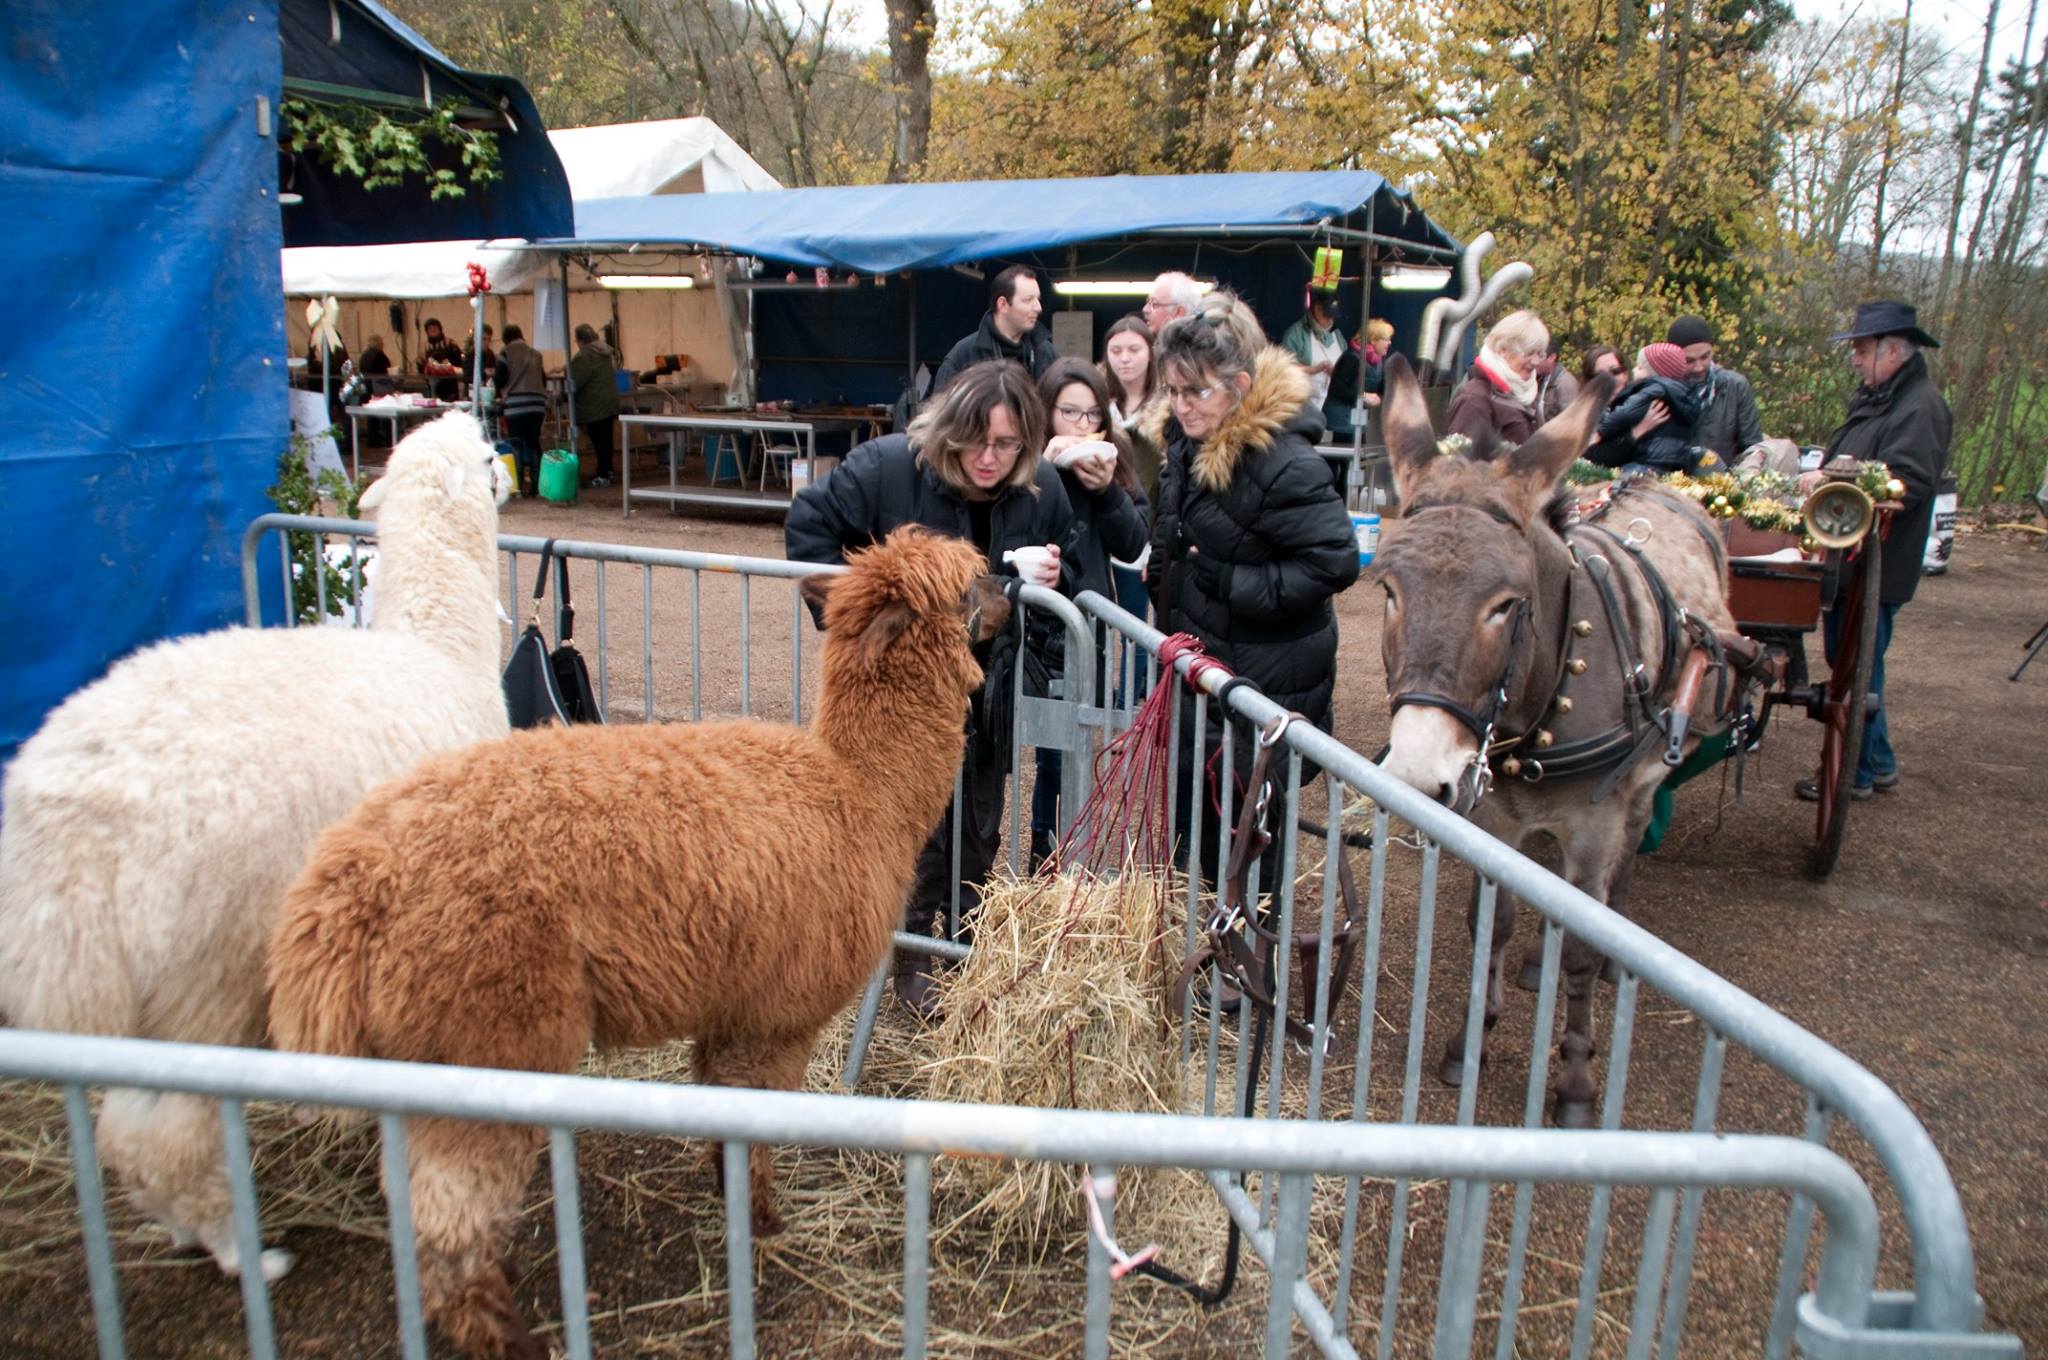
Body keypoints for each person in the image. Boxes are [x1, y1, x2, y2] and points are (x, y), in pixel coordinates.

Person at [786, 360, 1074, 1017]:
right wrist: (865, 621)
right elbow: (809, 523)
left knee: (979, 818)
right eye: (977, 440)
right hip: (906, 689)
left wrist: (1053, 578)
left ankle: (966, 942)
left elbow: (1078, 567)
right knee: (914, 820)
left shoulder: (1040, 489)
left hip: (987, 679)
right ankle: (912, 956)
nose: (989, 458)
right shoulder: (889, 467)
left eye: (1006, 445)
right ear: (951, 429)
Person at [1145, 289, 1361, 910]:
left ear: (1240, 385)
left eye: (1197, 392)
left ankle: (1245, 977)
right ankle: (1205, 960)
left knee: (1247, 841)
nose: (1182, 406)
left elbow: (1334, 563)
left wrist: (1228, 584)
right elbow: (1179, 538)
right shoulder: (1186, 445)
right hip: (1204, 671)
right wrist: (1165, 578)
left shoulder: (1283, 462)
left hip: (1266, 679)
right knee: (1200, 829)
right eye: (1175, 391)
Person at [1794, 301, 1952, 803]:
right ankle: (1878, 761)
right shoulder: (1881, 399)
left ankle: (1855, 770)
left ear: (1894, 351)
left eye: (1862, 350)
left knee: (1858, 666)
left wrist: (1835, 478)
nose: (1856, 360)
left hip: (1877, 560)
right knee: (1857, 660)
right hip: (1852, 557)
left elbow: (1910, 480)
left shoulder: (1920, 406)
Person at [1027, 359, 1151, 866]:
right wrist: (1042, 470)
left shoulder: (1112, 457)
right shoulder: (1027, 457)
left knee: (1072, 755)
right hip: (1035, 630)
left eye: (1091, 413)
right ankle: (1043, 855)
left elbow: (1135, 540)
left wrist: (1105, 490)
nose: (1080, 425)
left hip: (1089, 632)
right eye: (1068, 412)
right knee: (1036, 751)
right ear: (1046, 412)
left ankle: (1059, 861)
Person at [931, 265, 1057, 392]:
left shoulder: (1047, 353)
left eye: (1038, 299)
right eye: (1028, 300)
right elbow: (941, 409)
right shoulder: (964, 355)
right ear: (1002, 304)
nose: (1038, 308)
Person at [1585, 343, 1706, 474]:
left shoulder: (1648, 397)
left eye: (1615, 372)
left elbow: (1625, 413)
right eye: (1600, 376)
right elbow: (1593, 458)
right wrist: (1636, 432)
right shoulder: (1588, 415)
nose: (1610, 381)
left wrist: (1602, 432)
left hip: (1655, 467)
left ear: (1625, 373)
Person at [1445, 309, 1549, 445]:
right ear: (1503, 350)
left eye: (1540, 353)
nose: (1536, 361)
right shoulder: (1473, 399)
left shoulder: (1523, 394)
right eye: (1529, 353)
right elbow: (1461, 461)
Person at [1667, 315, 1763, 460]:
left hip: (1725, 477)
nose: (1699, 367)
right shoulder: (1662, 389)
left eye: (1705, 357)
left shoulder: (1735, 386)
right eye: (1689, 361)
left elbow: (1752, 447)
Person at [492, 324, 549, 497]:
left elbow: (499, 379)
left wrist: (497, 393)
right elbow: (543, 380)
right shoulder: (536, 354)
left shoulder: (505, 353)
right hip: (537, 405)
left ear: (506, 338)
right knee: (533, 443)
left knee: (515, 443)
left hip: (516, 406)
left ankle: (516, 486)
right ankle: (536, 485)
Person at [569, 323, 621, 488]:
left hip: (594, 405)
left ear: (580, 340)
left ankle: (602, 474)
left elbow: (576, 381)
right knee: (606, 440)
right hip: (609, 402)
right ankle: (608, 471)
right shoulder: (606, 352)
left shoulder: (584, 356)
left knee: (599, 441)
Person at [1280, 292, 1344, 414]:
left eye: (1333, 316)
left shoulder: (1338, 335)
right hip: (1302, 405)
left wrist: (1336, 373)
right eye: (1327, 315)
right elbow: (1284, 368)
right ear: (1317, 309)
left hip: (1331, 406)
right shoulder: (1295, 334)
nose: (1330, 319)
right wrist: (1314, 369)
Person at [418, 316, 466, 400]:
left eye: (435, 328)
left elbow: (459, 360)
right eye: (430, 329)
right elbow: (420, 364)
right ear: (427, 331)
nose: (433, 330)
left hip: (450, 383)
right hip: (432, 384)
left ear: (440, 329)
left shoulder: (449, 343)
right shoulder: (424, 347)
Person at [1141, 271, 1201, 335]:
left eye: (1154, 304)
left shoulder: (1202, 344)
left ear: (1179, 312)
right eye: (1148, 302)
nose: (1145, 309)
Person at [1536, 339, 1581, 420]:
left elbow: (1571, 421)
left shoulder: (1566, 384)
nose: (1534, 361)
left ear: (1551, 357)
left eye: (1539, 356)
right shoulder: (1539, 377)